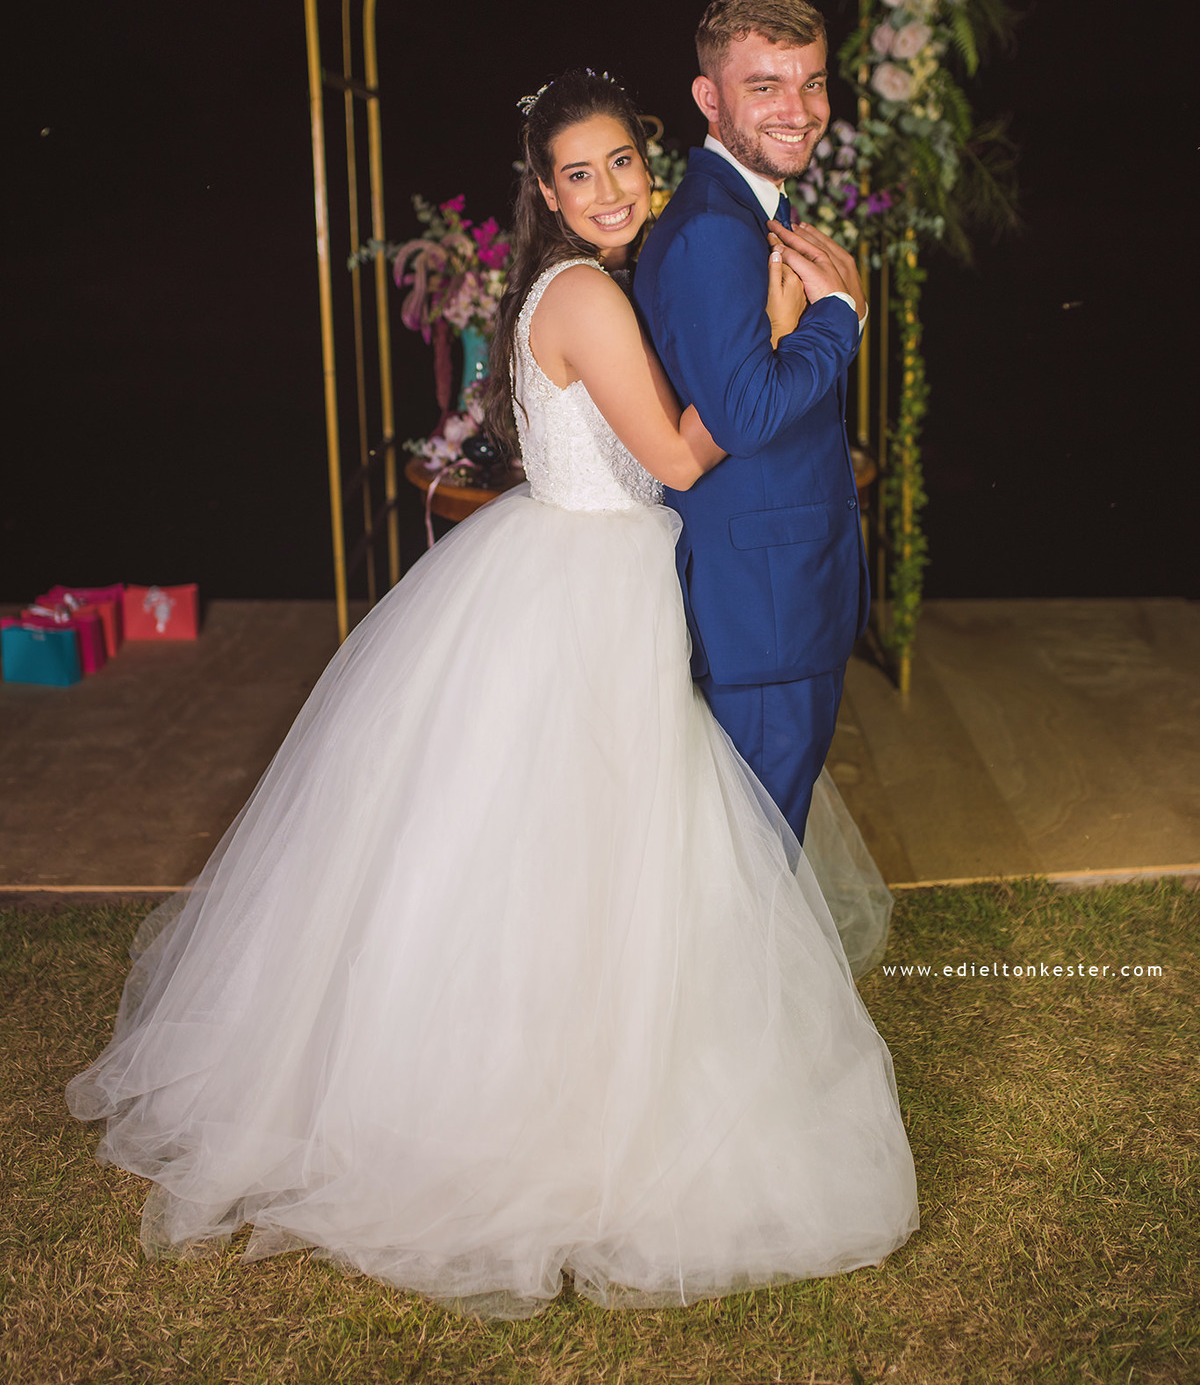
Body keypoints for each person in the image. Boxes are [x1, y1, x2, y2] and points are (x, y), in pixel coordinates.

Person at [68, 70, 917, 1320]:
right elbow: (680, 455)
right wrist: (800, 326)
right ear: (546, 192)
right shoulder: (586, 294)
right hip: (587, 591)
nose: (610, 188)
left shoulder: (583, 285)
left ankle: (582, 1078)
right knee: (590, 853)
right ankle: (556, 1115)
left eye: (623, 162)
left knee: (563, 858)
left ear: (649, 162)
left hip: (581, 571)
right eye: (581, 173)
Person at [635, 0, 870, 866]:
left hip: (770, 592)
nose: (798, 110)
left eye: (813, 83)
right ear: (710, 97)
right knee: (757, 859)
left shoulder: (746, 211)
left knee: (748, 851)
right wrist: (840, 317)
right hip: (762, 603)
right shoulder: (712, 232)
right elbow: (743, 413)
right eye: (765, 85)